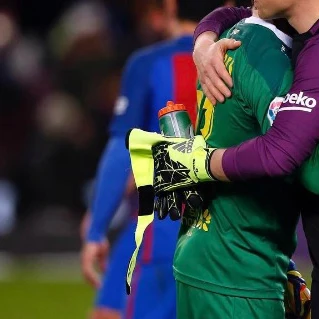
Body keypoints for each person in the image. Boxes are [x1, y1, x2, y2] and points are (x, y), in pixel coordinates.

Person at [142, 0, 319, 318]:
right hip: (249, 268)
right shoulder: (277, 35)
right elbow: (233, 12)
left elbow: (295, 161)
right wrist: (203, 39)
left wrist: (198, 164)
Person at [80, 1, 228, 318]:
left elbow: (121, 149)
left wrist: (96, 227)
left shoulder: (152, 63)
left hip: (166, 224)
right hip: (229, 228)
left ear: (171, 6)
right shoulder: (241, 60)